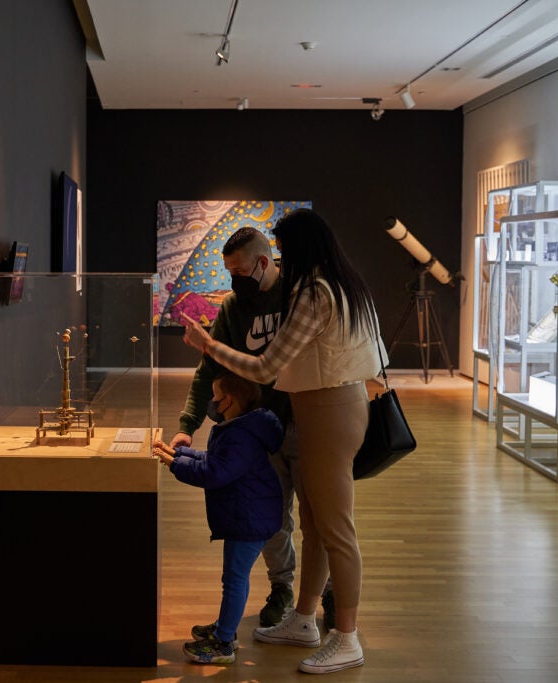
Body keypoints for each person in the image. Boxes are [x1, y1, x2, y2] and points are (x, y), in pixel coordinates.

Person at [182, 208, 384, 675]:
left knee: (336, 530)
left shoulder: (315, 292)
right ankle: (304, 619)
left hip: (329, 413)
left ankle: (347, 636)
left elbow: (264, 368)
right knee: (314, 524)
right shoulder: (344, 284)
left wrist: (208, 345)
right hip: (328, 410)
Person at [171, 226, 336, 630]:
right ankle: (283, 589)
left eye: (240, 271)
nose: (234, 280)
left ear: (264, 262)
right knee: (272, 518)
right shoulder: (231, 308)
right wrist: (186, 425)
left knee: (319, 519)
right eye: (229, 271)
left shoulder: (299, 297)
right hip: (261, 431)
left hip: (307, 424)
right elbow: (208, 370)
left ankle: (328, 593)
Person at [152, 372, 284, 665]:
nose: (211, 402)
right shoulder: (241, 427)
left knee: (235, 580)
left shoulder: (240, 435)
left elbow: (214, 474)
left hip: (248, 518)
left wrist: (174, 463)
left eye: (215, 396)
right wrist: (178, 453)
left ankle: (224, 642)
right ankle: (226, 629)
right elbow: (214, 461)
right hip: (248, 513)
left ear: (229, 400)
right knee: (234, 578)